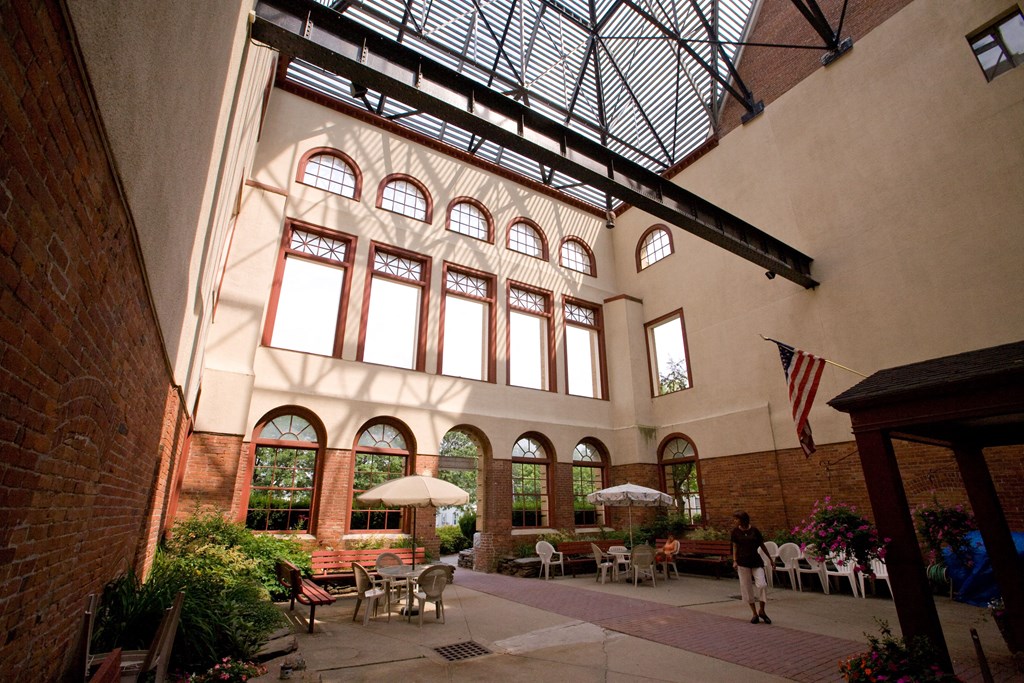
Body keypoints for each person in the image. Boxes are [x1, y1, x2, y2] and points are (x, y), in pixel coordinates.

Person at [730, 510, 772, 624]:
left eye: (736, 519)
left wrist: (770, 559)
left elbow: (762, 545)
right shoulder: (735, 532)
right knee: (747, 587)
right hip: (742, 562)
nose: (734, 521)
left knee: (762, 584)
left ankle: (762, 610)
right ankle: (754, 613)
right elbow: (735, 547)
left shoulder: (754, 530)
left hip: (756, 561)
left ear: (743, 519)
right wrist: (735, 560)